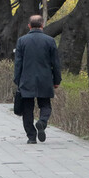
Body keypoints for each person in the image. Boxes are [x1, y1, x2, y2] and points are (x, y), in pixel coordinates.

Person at [13, 15, 62, 144]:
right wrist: (57, 80)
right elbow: (55, 63)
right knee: (45, 105)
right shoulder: (50, 41)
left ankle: (31, 137)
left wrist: (17, 80)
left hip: (26, 79)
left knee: (27, 109)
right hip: (45, 79)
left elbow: (18, 63)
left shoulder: (22, 41)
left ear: (29, 26)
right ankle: (42, 122)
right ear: (42, 25)